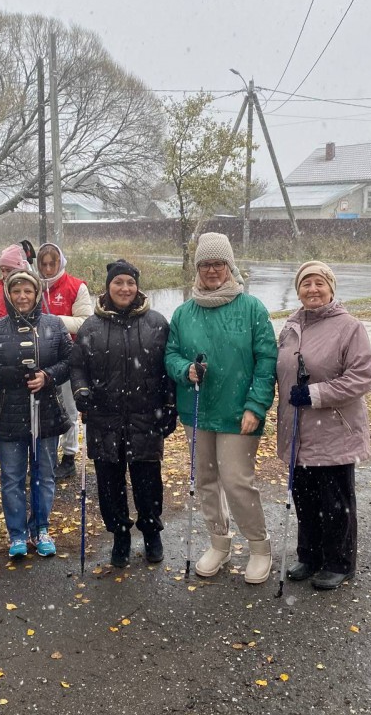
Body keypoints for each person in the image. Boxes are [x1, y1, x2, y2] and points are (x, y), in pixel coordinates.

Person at [165, 233, 277, 583]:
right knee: (206, 480)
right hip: (198, 409)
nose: (212, 270)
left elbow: (266, 360)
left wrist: (256, 406)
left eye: (218, 264)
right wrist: (186, 370)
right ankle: (219, 542)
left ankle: (259, 547)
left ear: (230, 267)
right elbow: (170, 354)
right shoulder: (184, 312)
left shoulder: (252, 308)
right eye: (205, 264)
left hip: (238, 412)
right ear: (197, 269)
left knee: (237, 481)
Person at [70, 259, 176, 568]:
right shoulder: (91, 326)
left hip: (147, 417)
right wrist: (81, 392)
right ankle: (119, 535)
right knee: (109, 484)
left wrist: (171, 406)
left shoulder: (157, 323)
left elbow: (168, 369)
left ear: (137, 286)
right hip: (104, 419)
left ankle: (151, 532)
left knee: (147, 483)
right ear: (108, 287)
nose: (125, 288)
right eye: (119, 283)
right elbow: (77, 366)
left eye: (130, 283)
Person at [277, 261, 371, 590]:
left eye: (320, 283)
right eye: (306, 284)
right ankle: (310, 555)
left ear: (331, 289)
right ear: (298, 290)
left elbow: (360, 378)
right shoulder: (291, 326)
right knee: (305, 498)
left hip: (336, 431)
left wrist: (315, 394)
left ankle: (339, 562)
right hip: (298, 431)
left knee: (335, 501)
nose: (312, 289)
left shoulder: (349, 327)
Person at [0, 267, 72, 559]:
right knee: (12, 476)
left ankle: (40, 529)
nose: (22, 296)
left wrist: (48, 376)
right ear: (8, 294)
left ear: (37, 293)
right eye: (16, 291)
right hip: (8, 414)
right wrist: (3, 374)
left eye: (27, 290)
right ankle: (16, 534)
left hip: (47, 412)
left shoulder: (54, 325)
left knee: (44, 474)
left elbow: (70, 360)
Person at [37, 242, 92, 480]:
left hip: (70, 355)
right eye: (44, 264)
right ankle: (46, 454)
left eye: (53, 264)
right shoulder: (33, 286)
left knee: (69, 408)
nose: (48, 269)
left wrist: (53, 320)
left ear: (61, 262)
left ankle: (69, 456)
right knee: (46, 407)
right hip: (42, 356)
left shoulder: (76, 287)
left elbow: (85, 322)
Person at [0, 243, 30, 323]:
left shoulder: (27, 286)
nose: (5, 274)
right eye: (2, 270)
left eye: (8, 270)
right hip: (0, 331)